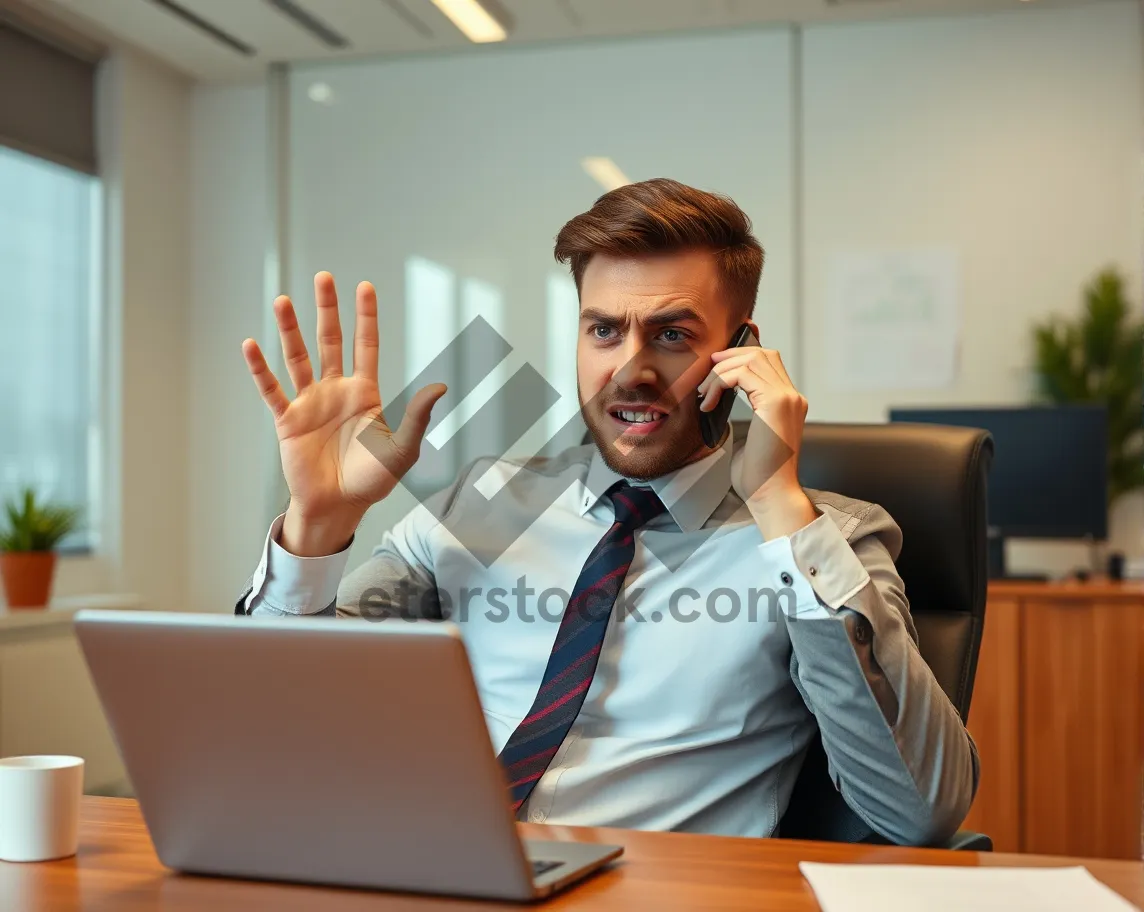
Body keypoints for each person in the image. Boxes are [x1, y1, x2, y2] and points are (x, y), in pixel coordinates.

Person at [236, 178, 979, 843]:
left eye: (673, 335)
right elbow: (281, 718)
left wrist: (779, 503)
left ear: (741, 351)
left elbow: (920, 809)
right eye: (603, 330)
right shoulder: (487, 501)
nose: (630, 368)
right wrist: (318, 524)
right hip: (441, 870)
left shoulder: (824, 539)